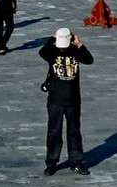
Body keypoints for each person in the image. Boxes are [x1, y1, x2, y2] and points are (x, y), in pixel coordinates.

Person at [40, 28, 93, 176]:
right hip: (55, 100)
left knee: (74, 132)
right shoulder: (52, 51)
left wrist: (80, 44)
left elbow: (89, 60)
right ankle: (51, 163)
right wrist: (52, 38)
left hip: (73, 100)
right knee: (53, 133)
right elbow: (42, 52)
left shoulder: (75, 51)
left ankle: (76, 162)